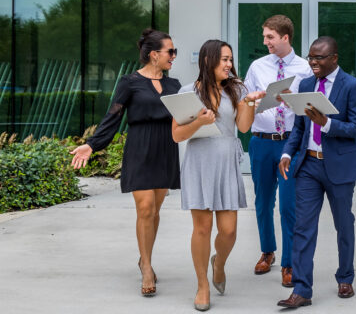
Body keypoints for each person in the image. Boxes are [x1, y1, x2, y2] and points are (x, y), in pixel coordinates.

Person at [70, 28, 181, 297]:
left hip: (166, 149)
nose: (173, 56)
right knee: (145, 208)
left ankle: (145, 258)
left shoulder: (174, 85)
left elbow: (185, 117)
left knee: (155, 212)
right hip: (140, 148)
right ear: (154, 55)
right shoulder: (129, 82)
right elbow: (113, 117)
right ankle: (146, 268)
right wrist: (92, 144)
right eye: (170, 52)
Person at [172, 39, 265, 311]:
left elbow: (244, 128)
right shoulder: (188, 92)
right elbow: (177, 135)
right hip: (199, 161)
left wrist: (248, 102)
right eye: (224, 59)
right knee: (201, 228)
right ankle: (202, 285)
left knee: (229, 231)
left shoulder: (236, 89)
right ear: (207, 61)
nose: (229, 64)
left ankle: (219, 263)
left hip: (226, 162)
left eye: (230, 59)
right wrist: (199, 121)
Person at [277, 36, 356, 308]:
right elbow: (299, 129)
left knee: (343, 225)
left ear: (334, 58)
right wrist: (286, 153)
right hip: (309, 167)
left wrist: (327, 123)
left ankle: (345, 277)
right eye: (311, 57)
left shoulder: (352, 85)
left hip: (339, 167)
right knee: (303, 227)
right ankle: (302, 290)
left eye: (319, 58)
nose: (313, 62)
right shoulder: (305, 85)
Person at [244, 15, 311, 287]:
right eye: (264, 37)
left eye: (270, 37)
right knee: (262, 202)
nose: (265, 42)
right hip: (261, 140)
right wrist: (253, 100)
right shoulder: (257, 67)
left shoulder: (305, 68)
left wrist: (293, 102)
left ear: (285, 37)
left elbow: (310, 108)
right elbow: (244, 102)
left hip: (289, 144)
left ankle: (289, 263)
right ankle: (267, 252)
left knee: (288, 206)